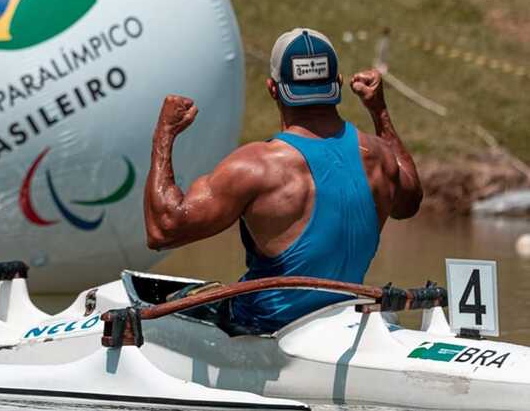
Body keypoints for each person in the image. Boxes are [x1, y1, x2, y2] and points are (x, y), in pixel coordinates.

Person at [143, 28, 423, 333]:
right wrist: (379, 110)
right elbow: (409, 202)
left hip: (265, 329)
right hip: (341, 322)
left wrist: (164, 135)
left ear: (273, 89)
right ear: (338, 84)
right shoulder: (379, 155)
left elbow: (163, 230)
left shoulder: (256, 167)